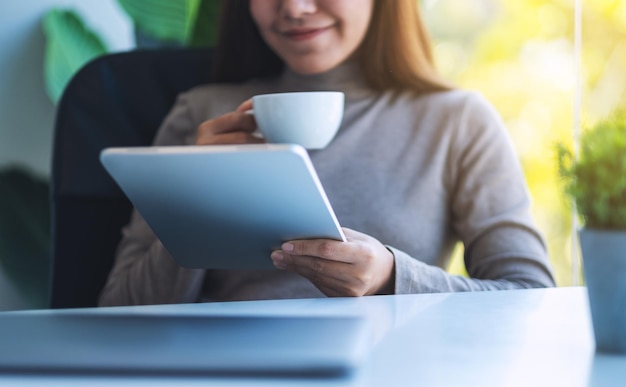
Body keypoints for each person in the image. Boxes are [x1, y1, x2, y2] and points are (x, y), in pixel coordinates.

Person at [99, 0, 554, 307]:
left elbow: (530, 296)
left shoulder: (456, 122)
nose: (294, 8)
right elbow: (117, 308)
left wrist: (392, 279)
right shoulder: (203, 114)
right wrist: (195, 200)